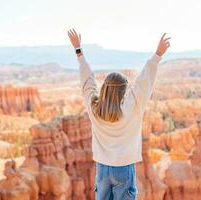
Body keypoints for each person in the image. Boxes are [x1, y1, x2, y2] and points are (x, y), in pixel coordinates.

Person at [68, 28, 170, 200]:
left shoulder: (95, 108)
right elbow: (143, 83)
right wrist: (157, 55)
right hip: (123, 169)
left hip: (102, 169)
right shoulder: (132, 107)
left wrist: (79, 52)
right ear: (124, 92)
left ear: (105, 89)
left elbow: (87, 81)